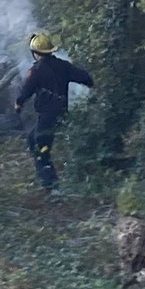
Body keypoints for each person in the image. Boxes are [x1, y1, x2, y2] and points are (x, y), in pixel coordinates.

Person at [14, 32, 93, 189]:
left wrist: (18, 104)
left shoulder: (36, 71)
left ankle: (51, 186)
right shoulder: (64, 66)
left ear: (35, 53)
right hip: (62, 112)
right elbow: (86, 78)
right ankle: (47, 178)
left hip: (47, 116)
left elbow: (26, 91)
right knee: (31, 137)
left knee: (41, 148)